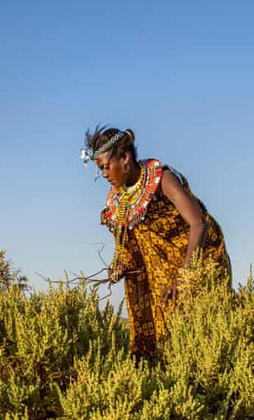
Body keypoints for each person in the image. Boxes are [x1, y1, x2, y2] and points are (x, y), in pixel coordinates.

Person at [81, 126, 231, 359]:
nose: (104, 174)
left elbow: (199, 224)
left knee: (201, 333)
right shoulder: (117, 200)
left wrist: (184, 279)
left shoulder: (163, 180)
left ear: (124, 158)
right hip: (159, 274)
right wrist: (119, 266)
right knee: (165, 340)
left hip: (198, 260)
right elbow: (128, 245)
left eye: (104, 167)